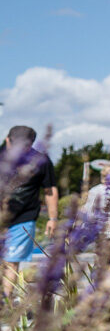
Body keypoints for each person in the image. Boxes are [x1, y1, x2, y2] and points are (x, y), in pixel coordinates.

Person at [2, 125, 58, 294]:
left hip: (23, 218)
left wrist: (53, 218)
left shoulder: (41, 161)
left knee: (11, 261)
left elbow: (49, 190)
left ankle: (5, 301)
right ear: (8, 141)